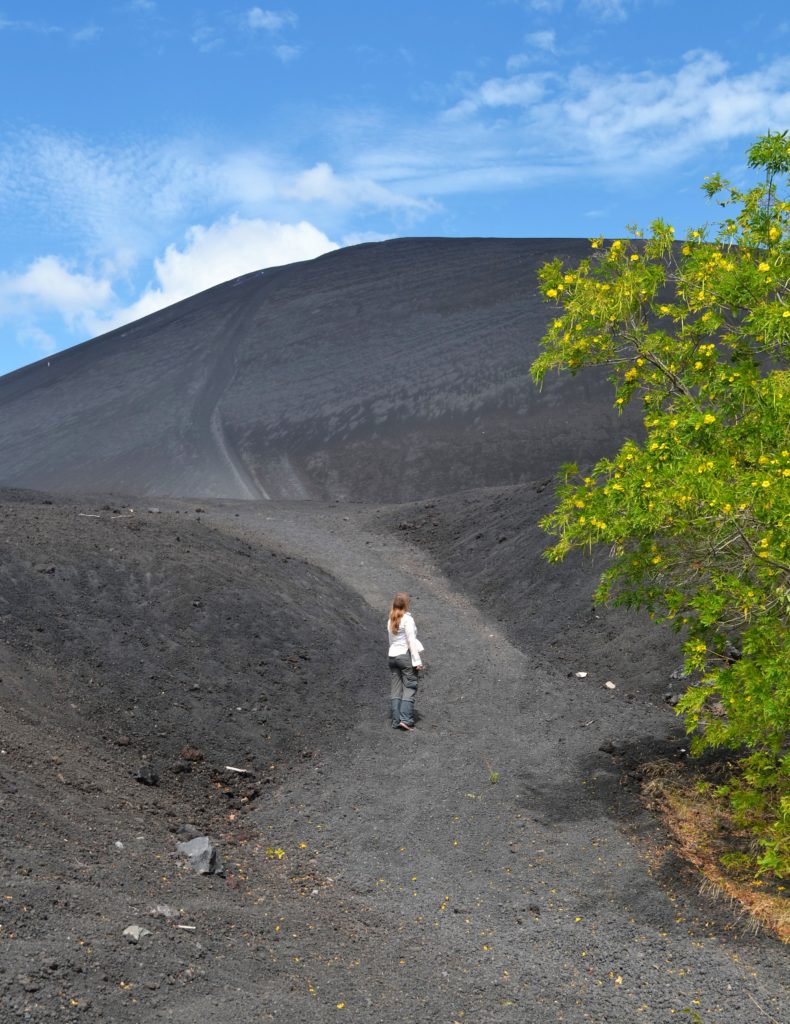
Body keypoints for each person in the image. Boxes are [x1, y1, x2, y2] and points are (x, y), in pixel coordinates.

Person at [387, 592, 423, 731]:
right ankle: (406, 720)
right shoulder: (407, 620)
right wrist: (417, 661)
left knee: (396, 689)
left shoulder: (390, 620)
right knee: (410, 685)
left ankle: (396, 720)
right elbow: (411, 641)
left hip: (392, 657)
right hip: (404, 656)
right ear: (406, 604)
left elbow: (391, 641)